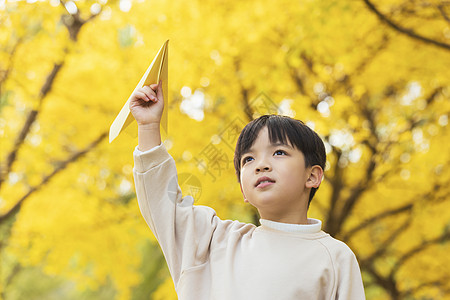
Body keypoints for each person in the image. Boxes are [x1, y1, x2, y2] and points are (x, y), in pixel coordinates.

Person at [130, 81, 366, 299]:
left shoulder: (335, 258)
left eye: (279, 152)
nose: (261, 165)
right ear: (243, 190)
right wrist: (149, 127)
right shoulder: (214, 241)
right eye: (248, 159)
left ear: (312, 175)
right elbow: (163, 205)